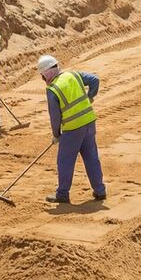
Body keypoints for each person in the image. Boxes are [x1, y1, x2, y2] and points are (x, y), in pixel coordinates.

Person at [37, 55, 106, 204]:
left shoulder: (52, 89)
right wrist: (90, 97)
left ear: (46, 73)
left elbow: (55, 117)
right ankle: (100, 191)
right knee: (91, 157)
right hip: (89, 121)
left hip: (73, 129)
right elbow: (95, 80)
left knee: (65, 161)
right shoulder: (73, 74)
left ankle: (62, 194)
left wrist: (56, 135)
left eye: (42, 75)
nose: (42, 78)